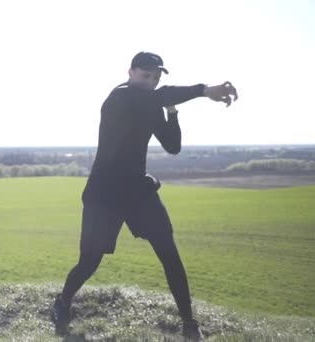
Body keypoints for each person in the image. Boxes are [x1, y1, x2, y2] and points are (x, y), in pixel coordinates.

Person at [50, 51, 238, 341]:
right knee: (90, 261)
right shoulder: (120, 97)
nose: (150, 81)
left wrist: (173, 111)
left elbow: (172, 145)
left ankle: (189, 323)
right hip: (104, 194)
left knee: (169, 254)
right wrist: (203, 91)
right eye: (145, 75)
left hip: (138, 191)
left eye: (156, 77)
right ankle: (63, 302)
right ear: (130, 72)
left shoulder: (153, 104)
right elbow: (157, 96)